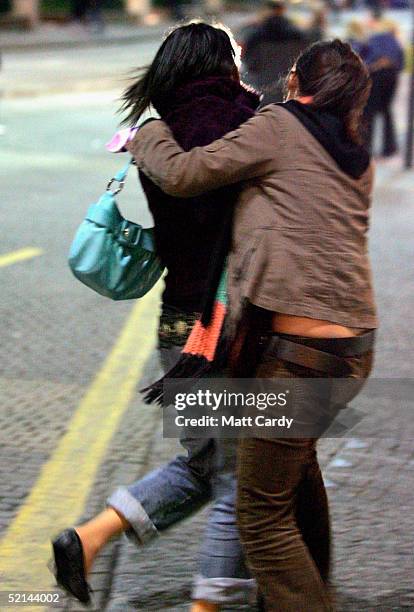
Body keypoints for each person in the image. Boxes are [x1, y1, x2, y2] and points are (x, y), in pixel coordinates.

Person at [125, 39, 378, 610]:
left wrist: (146, 136)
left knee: (260, 519)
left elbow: (187, 173)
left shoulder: (281, 126)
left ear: (295, 82)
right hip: (354, 349)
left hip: (295, 357)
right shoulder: (356, 151)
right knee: (294, 478)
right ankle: (309, 592)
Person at [51, 22, 260, 611]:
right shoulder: (247, 125)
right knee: (239, 477)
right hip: (225, 327)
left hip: (177, 327)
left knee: (206, 464)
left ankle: (87, 540)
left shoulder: (155, 135)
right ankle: (208, 604)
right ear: (221, 64)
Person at [363, 18, 405, 157]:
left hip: (376, 77)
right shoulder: (395, 42)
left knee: (369, 112)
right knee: (387, 111)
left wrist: (371, 67)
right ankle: (390, 147)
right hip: (391, 77)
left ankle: (366, 146)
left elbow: (374, 58)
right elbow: (399, 62)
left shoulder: (376, 38)